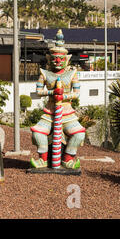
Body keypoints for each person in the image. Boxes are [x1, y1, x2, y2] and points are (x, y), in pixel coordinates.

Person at [30, 30, 85, 169]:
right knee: (37, 133)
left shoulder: (72, 73)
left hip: (66, 112)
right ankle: (43, 160)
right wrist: (52, 92)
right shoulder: (44, 73)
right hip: (50, 111)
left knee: (79, 135)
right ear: (50, 58)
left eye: (61, 58)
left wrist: (64, 96)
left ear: (66, 59)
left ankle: (67, 159)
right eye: (55, 58)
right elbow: (38, 91)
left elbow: (77, 93)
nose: (58, 61)